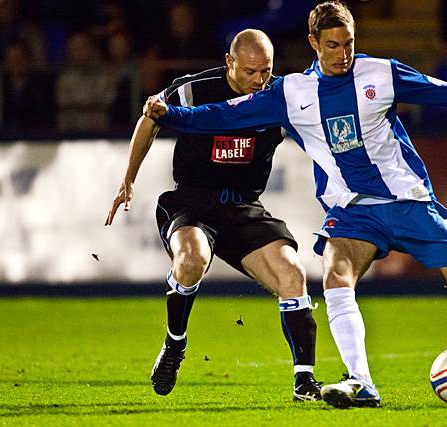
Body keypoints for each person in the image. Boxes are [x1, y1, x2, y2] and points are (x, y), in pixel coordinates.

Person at [145, 1, 447, 409]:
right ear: (313, 43)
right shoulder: (292, 93)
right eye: (332, 45)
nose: (343, 54)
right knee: (335, 278)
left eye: (349, 43)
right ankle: (361, 383)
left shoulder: (380, 73)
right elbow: (223, 115)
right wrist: (173, 116)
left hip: (406, 201)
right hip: (352, 211)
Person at [105, 29, 322, 402]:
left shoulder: (280, 97)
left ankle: (304, 382)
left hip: (242, 207)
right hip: (193, 201)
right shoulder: (194, 90)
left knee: (293, 273)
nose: (258, 81)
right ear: (229, 62)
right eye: (250, 71)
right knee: (192, 259)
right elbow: (150, 117)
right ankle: (175, 343)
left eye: (265, 72)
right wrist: (128, 179)